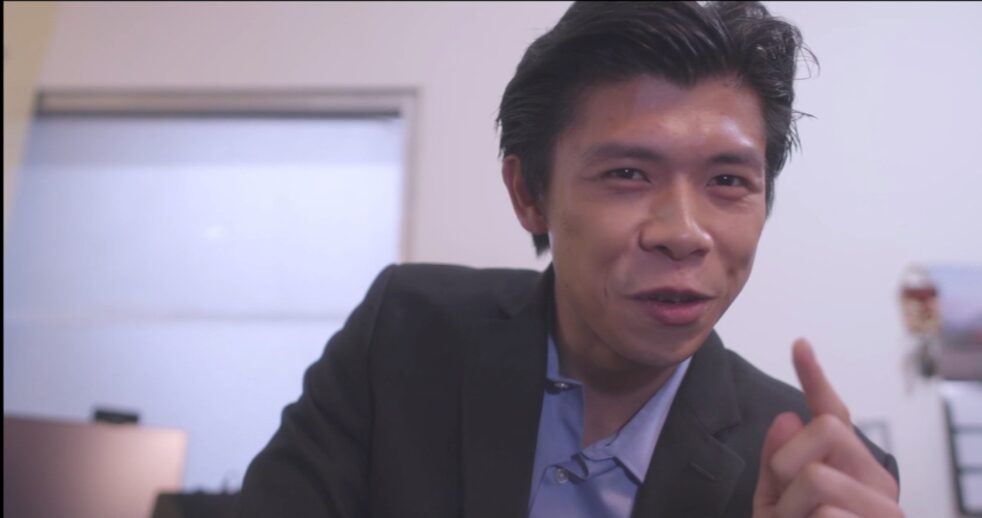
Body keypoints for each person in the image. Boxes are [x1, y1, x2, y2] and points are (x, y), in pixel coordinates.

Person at [237, 2, 902, 517]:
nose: (684, 233)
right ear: (529, 193)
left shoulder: (810, 477)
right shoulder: (404, 336)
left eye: (728, 180)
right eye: (628, 174)